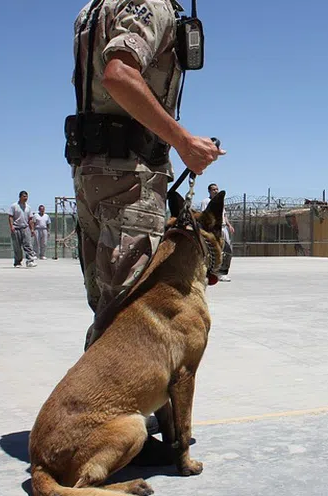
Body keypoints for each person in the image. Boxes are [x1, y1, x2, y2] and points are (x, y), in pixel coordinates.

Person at [66, 0, 224, 349]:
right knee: (131, 319)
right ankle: (110, 402)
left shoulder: (95, 8)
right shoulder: (149, 3)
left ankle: (93, 399)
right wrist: (183, 141)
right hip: (129, 178)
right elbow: (119, 74)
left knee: (109, 316)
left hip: (93, 173)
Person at [200, 183, 234, 281]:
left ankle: (223, 272)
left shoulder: (220, 202)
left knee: (227, 249)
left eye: (217, 189)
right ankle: (211, 272)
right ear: (209, 191)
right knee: (212, 250)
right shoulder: (205, 201)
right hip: (213, 229)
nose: (216, 191)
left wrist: (229, 225)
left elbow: (224, 215)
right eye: (213, 189)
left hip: (223, 228)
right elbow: (204, 215)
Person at [9, 191, 37, 268]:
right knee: (17, 247)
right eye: (24, 196)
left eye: (27, 196)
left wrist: (32, 229)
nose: (26, 198)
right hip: (16, 228)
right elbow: (10, 217)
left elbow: (30, 219)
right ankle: (17, 262)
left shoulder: (28, 207)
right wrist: (11, 226)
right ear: (20, 197)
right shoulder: (14, 206)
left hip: (25, 228)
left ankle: (30, 261)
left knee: (28, 245)